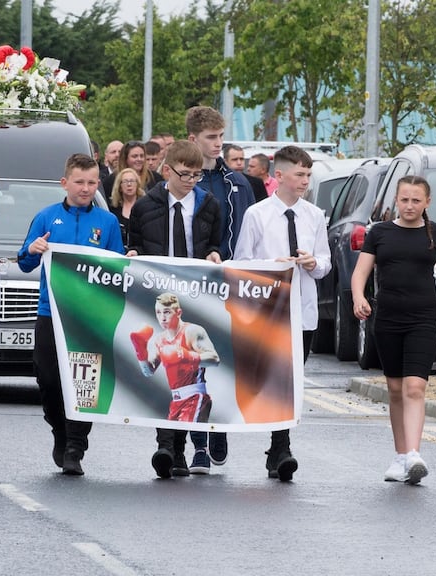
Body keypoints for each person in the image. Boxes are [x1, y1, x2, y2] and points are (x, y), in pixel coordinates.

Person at [350, 175, 436, 485]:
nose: (409, 206)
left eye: (416, 200)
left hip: (423, 319)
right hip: (388, 319)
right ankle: (401, 455)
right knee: (395, 389)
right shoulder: (380, 233)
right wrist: (359, 297)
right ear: (396, 200)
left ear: (427, 202)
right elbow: (360, 272)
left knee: (415, 387)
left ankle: (414, 453)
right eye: (404, 200)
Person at [18, 154, 125, 476]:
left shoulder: (107, 222)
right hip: (51, 311)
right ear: (65, 183)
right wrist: (32, 250)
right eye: (79, 182)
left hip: (89, 316)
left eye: (92, 182)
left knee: (85, 382)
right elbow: (25, 262)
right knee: (48, 378)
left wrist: (125, 261)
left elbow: (117, 268)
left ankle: (76, 446)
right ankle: (59, 430)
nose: (86, 188)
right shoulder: (47, 217)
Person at [230, 145, 332, 481]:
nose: (305, 181)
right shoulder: (257, 215)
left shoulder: (314, 216)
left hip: (303, 311)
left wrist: (313, 262)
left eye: (308, 175)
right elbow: (242, 263)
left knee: (293, 380)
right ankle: (280, 446)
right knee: (273, 378)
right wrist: (270, 266)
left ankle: (279, 446)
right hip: (269, 311)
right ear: (279, 176)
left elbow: (325, 263)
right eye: (300, 174)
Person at [127, 140, 222, 479]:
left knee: (187, 374)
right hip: (159, 294)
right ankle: (167, 446)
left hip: (194, 295)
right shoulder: (145, 206)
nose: (191, 181)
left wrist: (213, 254)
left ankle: (177, 447)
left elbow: (215, 245)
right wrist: (134, 254)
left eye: (197, 175)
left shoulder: (209, 205)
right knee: (164, 370)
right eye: (185, 175)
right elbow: (136, 245)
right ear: (167, 170)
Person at [186, 106, 257, 468]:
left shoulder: (238, 184)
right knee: (195, 362)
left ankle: (219, 429)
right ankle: (198, 441)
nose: (218, 144)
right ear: (193, 139)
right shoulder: (184, 181)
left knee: (225, 362)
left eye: (221, 137)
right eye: (210, 138)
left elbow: (250, 233)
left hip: (231, 285)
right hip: (192, 284)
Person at [133, 293, 220, 423]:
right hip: (176, 401)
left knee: (190, 433)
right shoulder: (160, 340)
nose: (162, 318)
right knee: (169, 435)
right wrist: (140, 350)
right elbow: (148, 371)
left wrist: (187, 356)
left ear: (178, 313)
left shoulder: (192, 331)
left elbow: (214, 359)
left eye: (167, 312)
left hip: (195, 397)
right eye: (158, 312)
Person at [108, 168, 143, 247]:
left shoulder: (145, 207)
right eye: (125, 181)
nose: (129, 184)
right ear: (120, 187)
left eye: (132, 181)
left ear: (137, 184)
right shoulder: (112, 209)